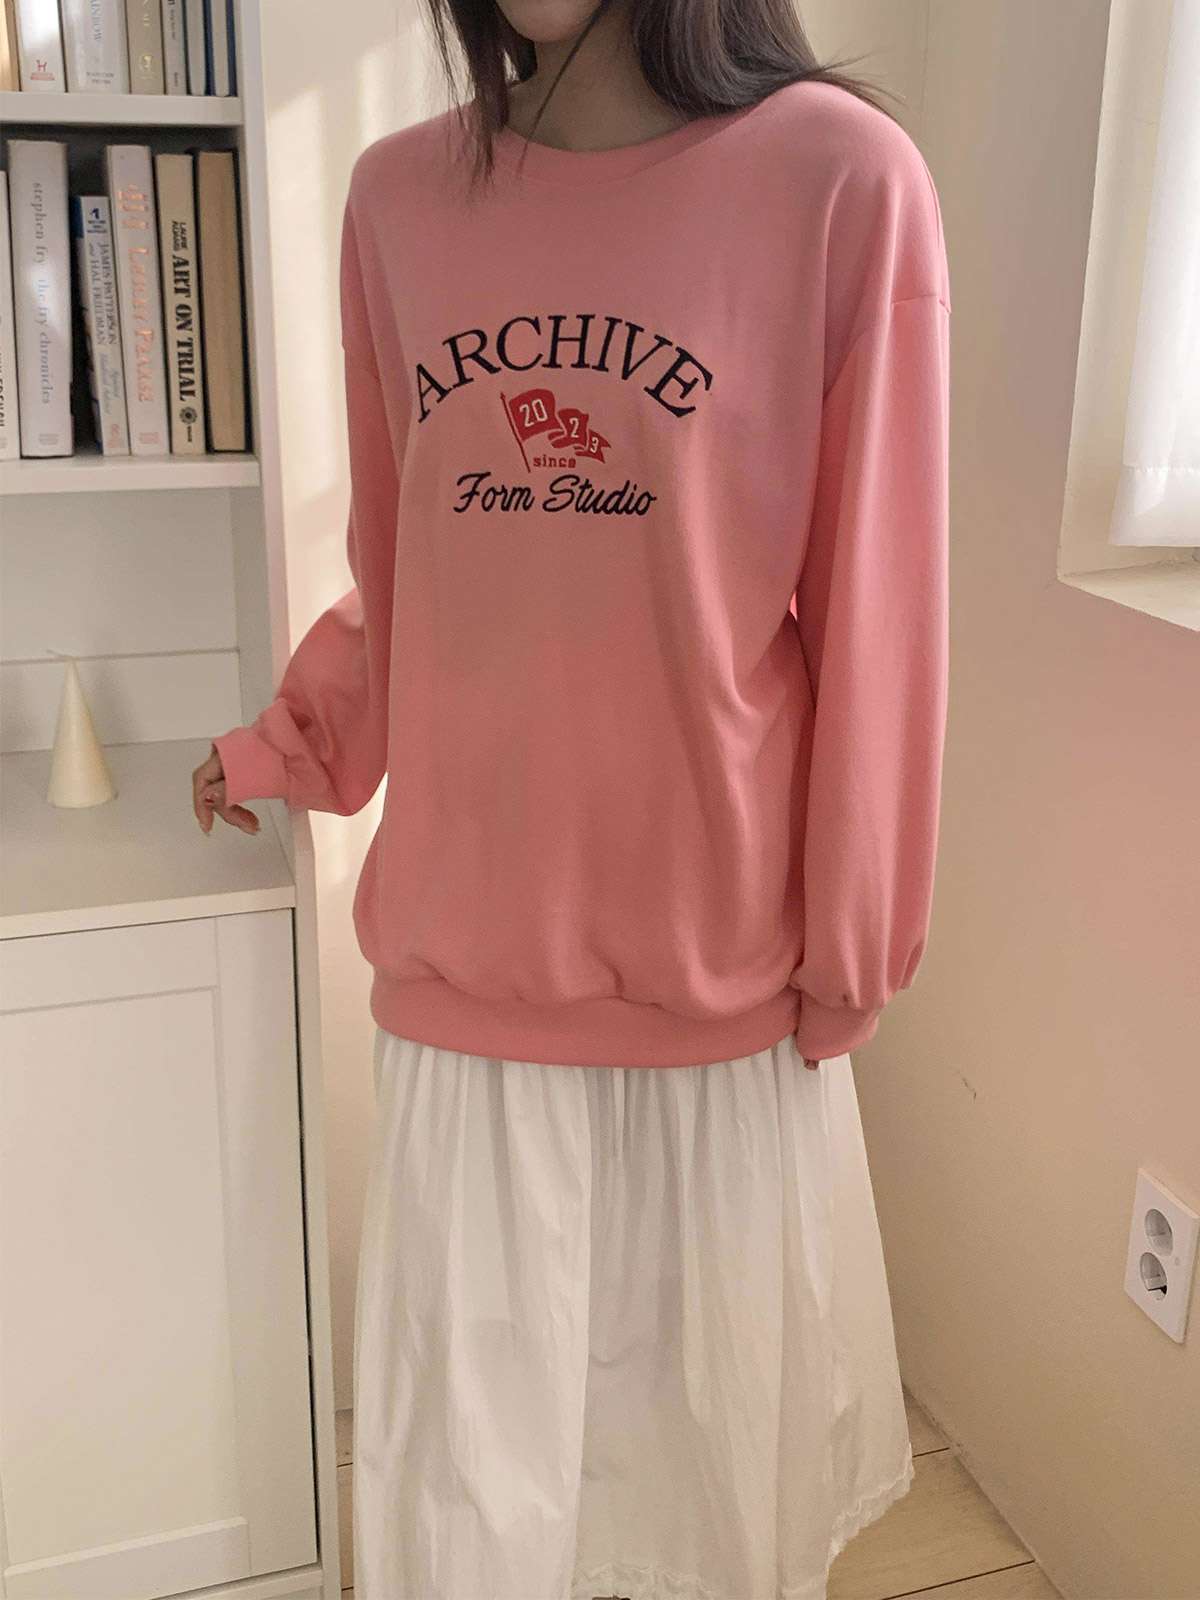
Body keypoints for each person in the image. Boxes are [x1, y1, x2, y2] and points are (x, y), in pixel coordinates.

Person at [191, 1, 951, 1595]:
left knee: (699, 1526)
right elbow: (412, 567)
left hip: (715, 995)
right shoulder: (401, 199)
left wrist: (854, 945)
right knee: (474, 1522)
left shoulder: (838, 179)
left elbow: (878, 610)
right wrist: (298, 739)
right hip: (470, 983)